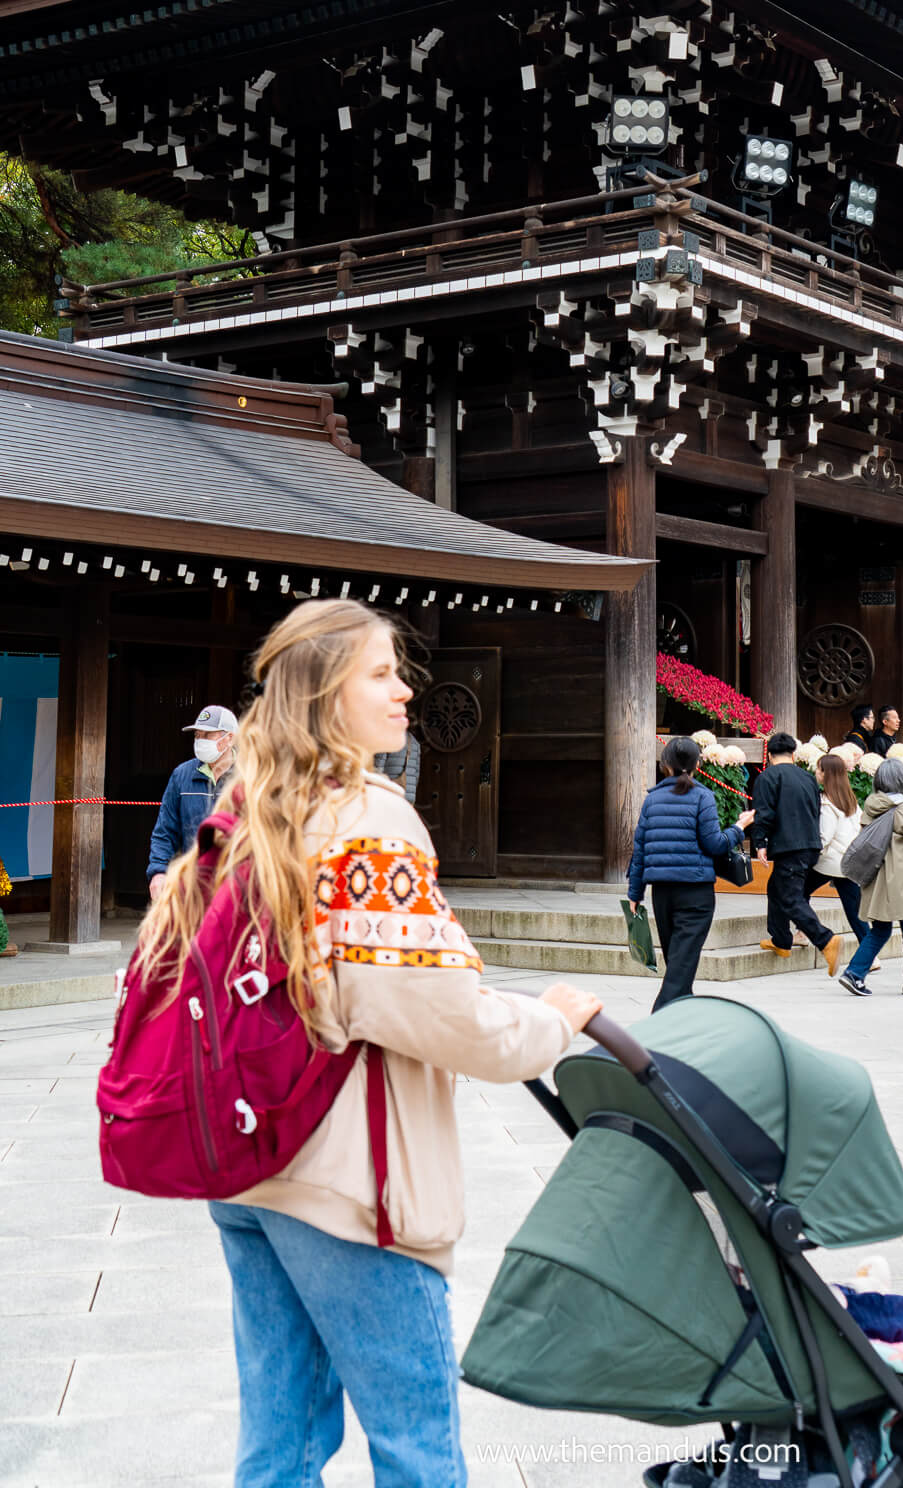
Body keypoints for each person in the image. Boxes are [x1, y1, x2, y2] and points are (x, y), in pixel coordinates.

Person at [137, 600, 601, 1486]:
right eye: (382, 673)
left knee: (279, 1446)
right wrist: (553, 1022)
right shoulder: (367, 822)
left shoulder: (248, 806)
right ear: (326, 695)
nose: (405, 690)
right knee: (419, 1450)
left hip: (247, 1156)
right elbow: (435, 1009)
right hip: (347, 1177)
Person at [627, 737, 754, 1011]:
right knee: (681, 964)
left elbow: (639, 850)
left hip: (662, 893)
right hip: (695, 893)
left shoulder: (653, 800)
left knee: (678, 962)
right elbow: (715, 845)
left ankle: (681, 1016)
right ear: (697, 764)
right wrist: (738, 828)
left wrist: (634, 894)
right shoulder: (703, 797)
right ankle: (660, 1018)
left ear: (666, 765)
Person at [837, 757, 903, 997]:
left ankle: (855, 972)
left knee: (880, 930)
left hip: (876, 881)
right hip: (901, 882)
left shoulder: (870, 809)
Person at [750, 732, 843, 977]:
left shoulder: (767, 778)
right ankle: (781, 940)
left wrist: (760, 842)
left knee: (790, 898)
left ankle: (825, 940)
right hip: (810, 845)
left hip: (789, 846)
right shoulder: (807, 778)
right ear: (793, 754)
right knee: (776, 888)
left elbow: (764, 813)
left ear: (769, 756)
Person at [146, 704, 239, 903]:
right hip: (193, 887)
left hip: (237, 885)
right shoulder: (182, 775)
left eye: (208, 735)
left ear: (229, 738)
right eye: (197, 735)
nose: (200, 741)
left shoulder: (249, 776)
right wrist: (158, 872)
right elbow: (165, 831)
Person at [803, 751, 879, 971]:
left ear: (826, 774)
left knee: (797, 893)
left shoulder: (827, 804)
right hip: (848, 862)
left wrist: (810, 854)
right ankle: (871, 955)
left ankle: (804, 931)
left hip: (829, 862)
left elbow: (824, 839)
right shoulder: (850, 800)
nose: (816, 772)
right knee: (854, 911)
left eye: (819, 769)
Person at [372, 731, 421, 804]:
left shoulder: (388, 739)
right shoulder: (415, 742)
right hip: (409, 795)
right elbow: (416, 772)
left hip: (391, 791)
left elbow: (378, 768)